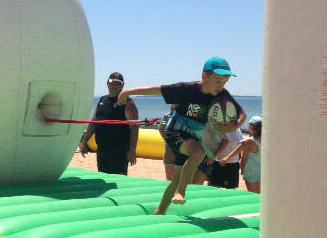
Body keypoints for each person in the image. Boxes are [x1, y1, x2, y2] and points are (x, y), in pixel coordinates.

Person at [115, 57, 246, 215]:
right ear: (204, 76)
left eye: (225, 81)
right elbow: (156, 90)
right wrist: (129, 92)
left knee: (176, 178)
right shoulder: (186, 89)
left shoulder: (222, 95)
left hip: (195, 137)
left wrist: (235, 125)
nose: (221, 86)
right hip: (175, 131)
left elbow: (242, 114)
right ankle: (181, 192)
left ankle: (160, 210)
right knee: (199, 152)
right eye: (218, 80)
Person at [79, 72, 139, 175]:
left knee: (118, 180)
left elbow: (134, 127)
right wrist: (84, 141)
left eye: (118, 83)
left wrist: (132, 149)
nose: (115, 86)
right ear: (107, 83)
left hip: (119, 150)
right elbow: (93, 123)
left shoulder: (128, 103)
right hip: (102, 148)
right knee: (103, 178)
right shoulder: (102, 100)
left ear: (123, 85)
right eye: (112, 83)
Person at [221, 116, 262, 193]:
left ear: (251, 127)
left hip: (250, 170)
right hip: (261, 169)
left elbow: (244, 159)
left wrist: (242, 169)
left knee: (252, 193)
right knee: (259, 194)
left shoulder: (250, 142)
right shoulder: (265, 140)